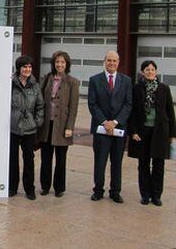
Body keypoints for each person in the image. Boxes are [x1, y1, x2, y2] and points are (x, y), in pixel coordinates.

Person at [128, 60, 176, 206]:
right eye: (147, 69)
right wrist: (133, 131)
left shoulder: (164, 88)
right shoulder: (136, 89)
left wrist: (172, 134)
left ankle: (156, 195)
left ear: (156, 72)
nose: (150, 72)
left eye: (152, 69)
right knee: (143, 164)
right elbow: (132, 112)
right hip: (142, 131)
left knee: (158, 164)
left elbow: (170, 112)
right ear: (142, 72)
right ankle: (145, 194)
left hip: (160, 132)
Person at [88, 50, 132, 204]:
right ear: (104, 62)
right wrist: (105, 122)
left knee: (117, 162)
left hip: (118, 129)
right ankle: (98, 190)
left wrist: (114, 122)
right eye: (109, 60)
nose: (112, 63)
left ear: (118, 62)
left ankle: (115, 191)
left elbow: (128, 104)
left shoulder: (126, 81)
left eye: (114, 61)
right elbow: (92, 104)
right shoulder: (95, 80)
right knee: (100, 161)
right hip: (101, 129)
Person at [38, 51, 79, 197]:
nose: (59, 65)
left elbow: (73, 107)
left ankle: (59, 188)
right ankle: (45, 186)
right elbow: (40, 99)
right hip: (47, 125)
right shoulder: (47, 78)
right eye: (57, 62)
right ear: (53, 64)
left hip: (62, 126)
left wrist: (70, 127)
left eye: (62, 62)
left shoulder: (72, 82)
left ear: (66, 64)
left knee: (61, 159)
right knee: (46, 158)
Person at [9, 55, 44, 200]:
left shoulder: (35, 85)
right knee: (12, 159)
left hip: (29, 128)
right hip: (13, 127)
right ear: (19, 68)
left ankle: (30, 189)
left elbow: (40, 106)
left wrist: (37, 122)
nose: (27, 69)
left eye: (29, 67)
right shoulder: (11, 84)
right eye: (24, 67)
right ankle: (12, 187)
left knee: (29, 159)